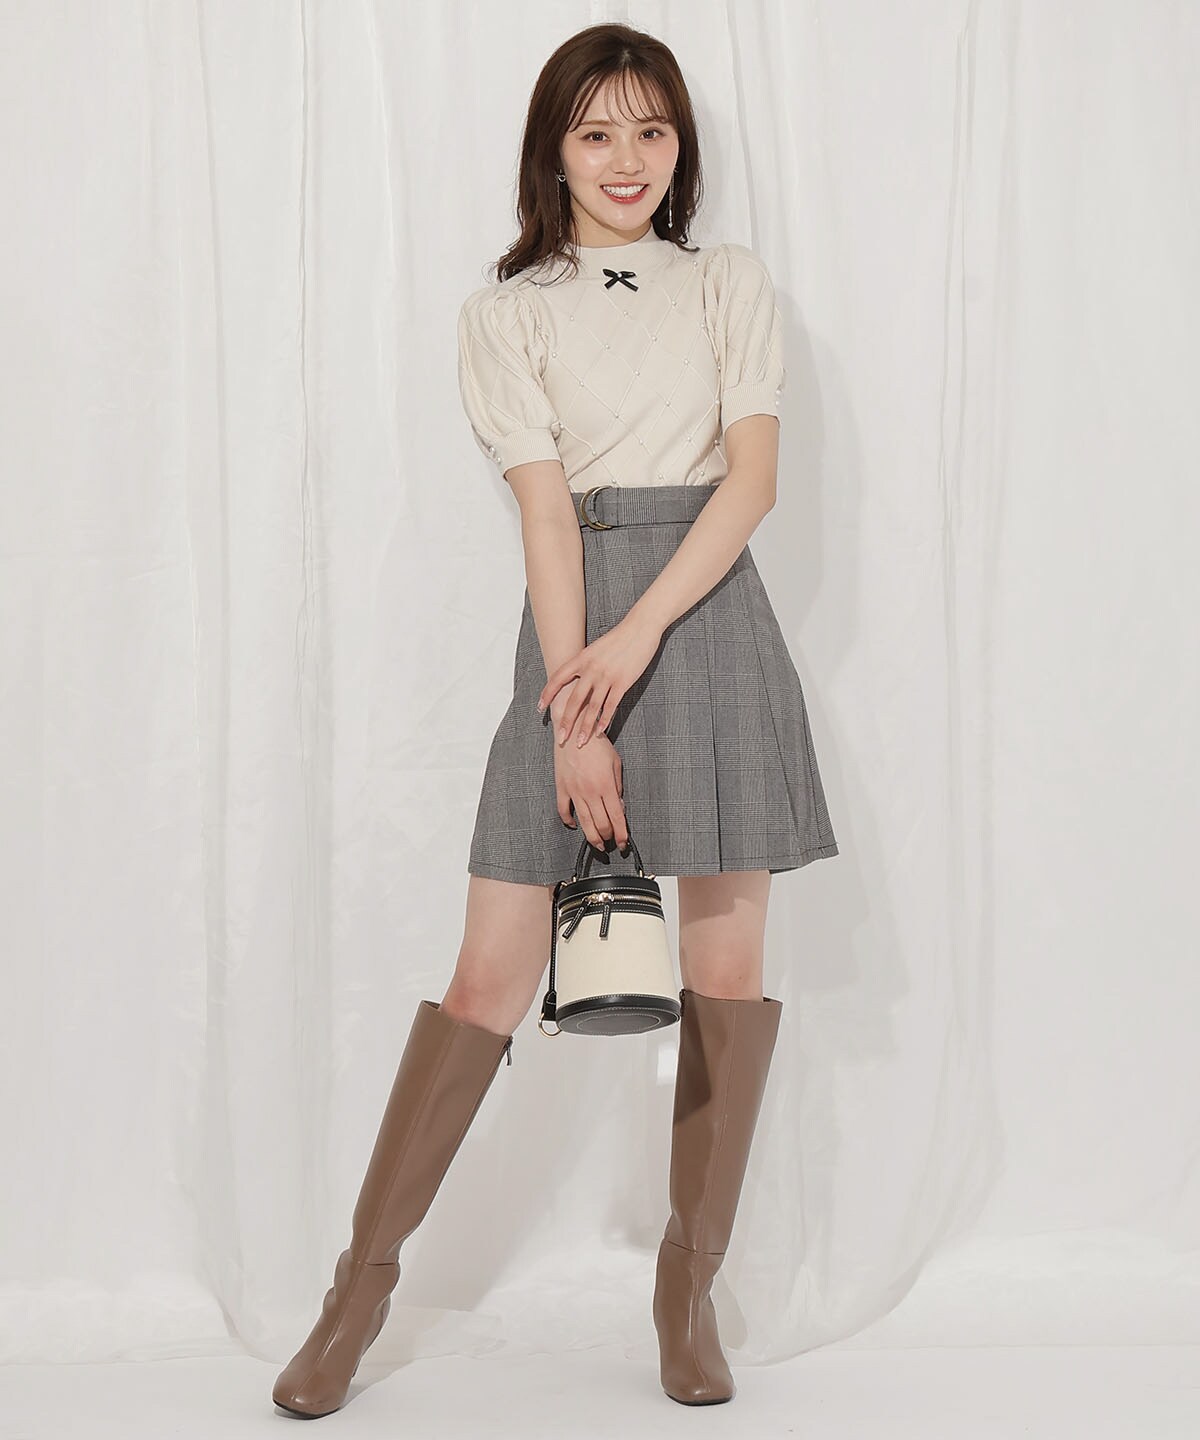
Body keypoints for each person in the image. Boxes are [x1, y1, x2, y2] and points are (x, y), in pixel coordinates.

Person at [272, 21, 839, 1419]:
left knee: (724, 970)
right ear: (554, 152)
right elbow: (543, 512)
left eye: (652, 129)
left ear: (681, 145)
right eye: (596, 133)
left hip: (707, 621)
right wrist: (578, 705)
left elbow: (752, 483)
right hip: (572, 631)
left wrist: (639, 642)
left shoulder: (729, 283)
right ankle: (357, 1294)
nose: (627, 158)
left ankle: (687, 1294)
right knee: (488, 974)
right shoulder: (509, 312)